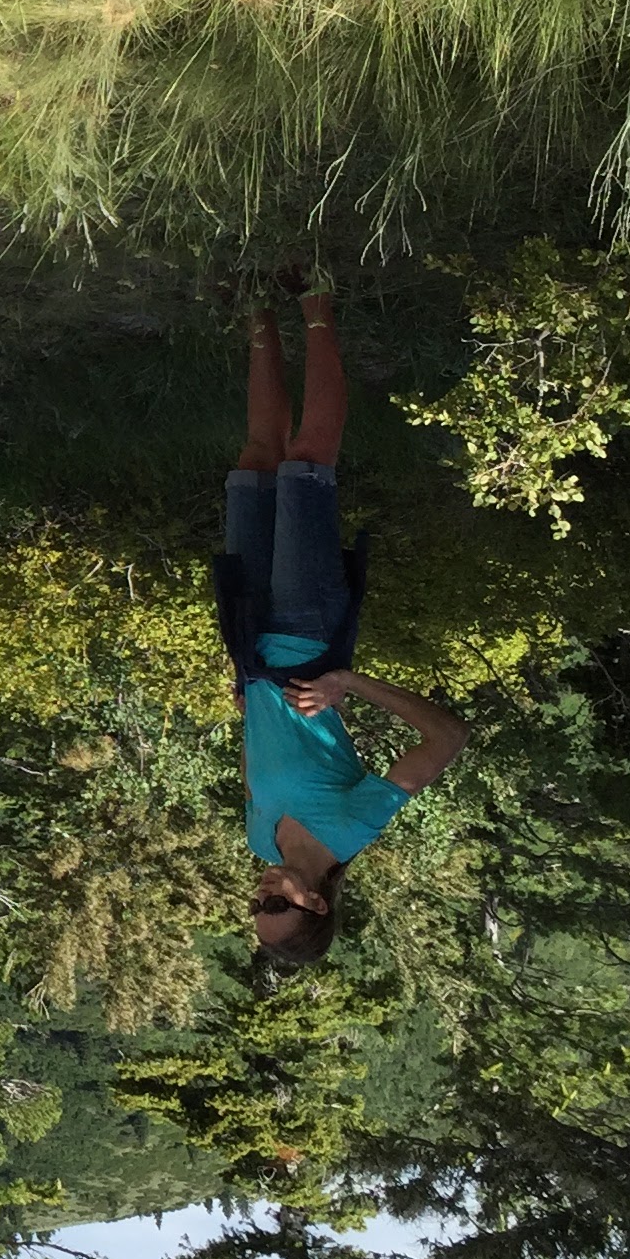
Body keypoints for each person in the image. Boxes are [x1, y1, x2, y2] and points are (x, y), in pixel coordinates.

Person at [217, 287, 465, 967]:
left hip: (252, 645)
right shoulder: (354, 827)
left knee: (257, 462)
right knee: (305, 463)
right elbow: (447, 736)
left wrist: (245, 699)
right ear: (315, 904)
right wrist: (347, 682)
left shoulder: (262, 841)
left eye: (254, 908)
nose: (260, 895)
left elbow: (255, 763)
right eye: (275, 907)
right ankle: (318, 296)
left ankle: (256, 311)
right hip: (307, 627)